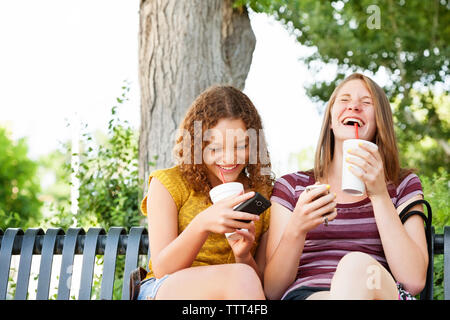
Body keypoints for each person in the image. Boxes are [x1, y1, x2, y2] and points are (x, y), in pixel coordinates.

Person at [264, 73, 428, 300]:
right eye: (344, 100)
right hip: (309, 295)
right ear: (331, 121)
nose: (354, 106)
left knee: (355, 267)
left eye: (366, 102)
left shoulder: (402, 185)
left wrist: (379, 194)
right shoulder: (292, 187)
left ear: (380, 121)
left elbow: (413, 280)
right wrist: (297, 229)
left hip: (377, 289)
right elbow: (272, 291)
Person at [137, 85, 274, 300]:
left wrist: (244, 255)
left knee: (243, 276)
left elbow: (263, 288)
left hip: (236, 292)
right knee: (241, 277)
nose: (229, 159)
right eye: (215, 148)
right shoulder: (168, 184)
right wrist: (202, 224)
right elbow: (163, 269)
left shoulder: (262, 195)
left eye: (240, 146)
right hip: (164, 289)